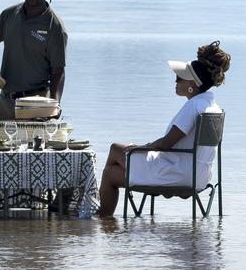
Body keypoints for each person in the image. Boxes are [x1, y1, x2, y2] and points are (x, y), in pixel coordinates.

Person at [97, 40, 229, 218]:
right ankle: (106, 224)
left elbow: (167, 142)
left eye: (180, 77)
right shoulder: (213, 107)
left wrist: (141, 148)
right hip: (200, 175)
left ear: (193, 84)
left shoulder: (193, 107)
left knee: (115, 149)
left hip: (176, 172)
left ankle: (102, 218)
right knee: (111, 173)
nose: (176, 80)